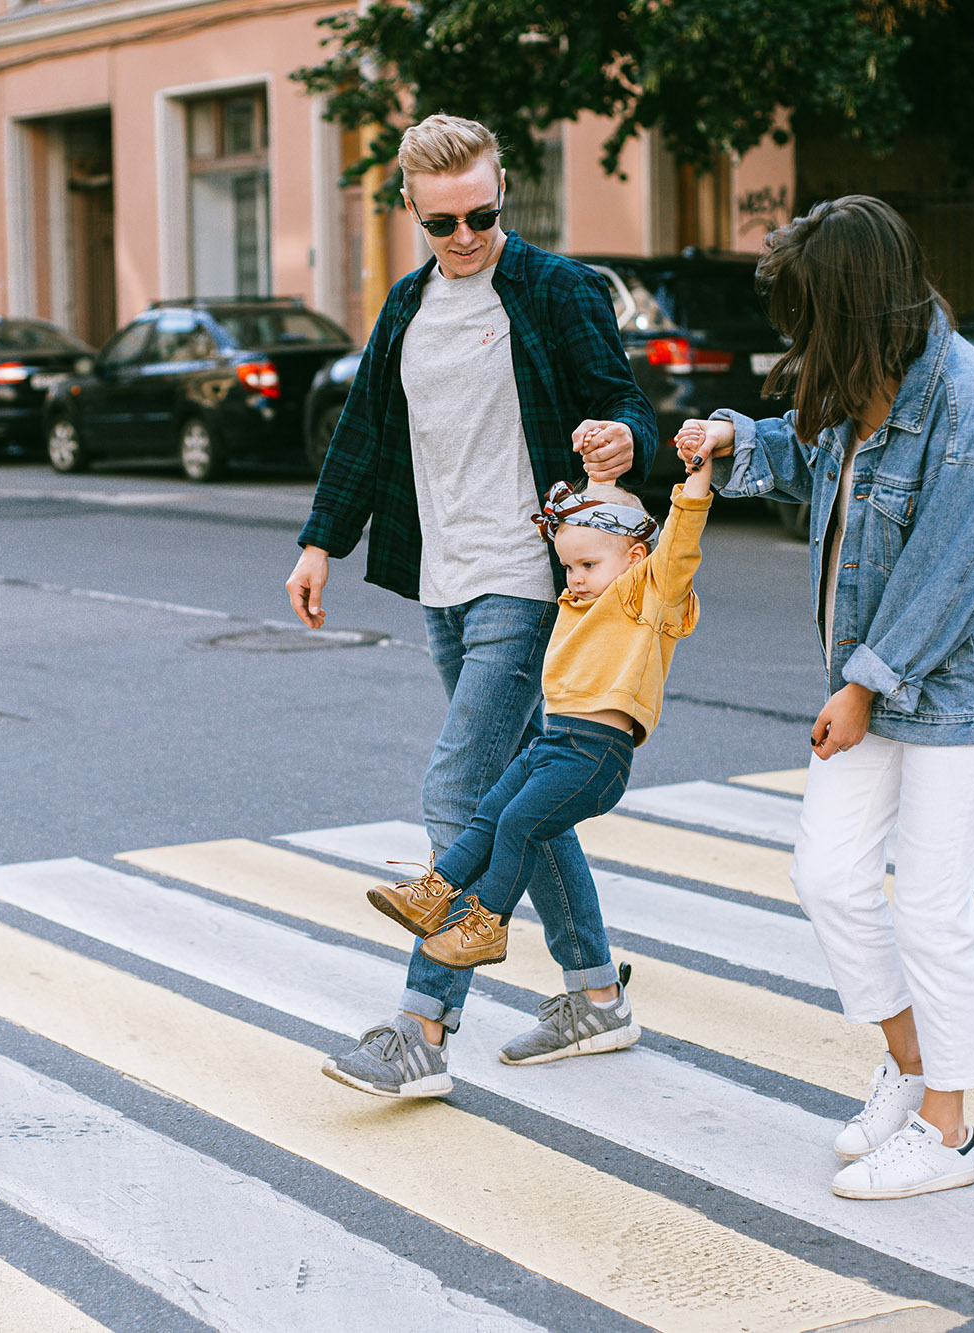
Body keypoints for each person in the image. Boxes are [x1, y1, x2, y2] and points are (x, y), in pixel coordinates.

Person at [672, 194, 974, 1200]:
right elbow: (806, 460)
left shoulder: (965, 403)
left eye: (805, 314)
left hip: (956, 692)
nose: (795, 336)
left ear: (845, 303)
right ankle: (910, 1061)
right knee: (826, 876)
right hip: (869, 683)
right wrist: (728, 440)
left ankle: (948, 1133)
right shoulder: (854, 373)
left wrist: (864, 686)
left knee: (928, 908)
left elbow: (952, 569)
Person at [286, 113, 657, 1099]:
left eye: (481, 215)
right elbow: (365, 430)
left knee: (458, 795)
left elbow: (627, 405)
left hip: (528, 577)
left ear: (503, 198)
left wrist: (620, 439)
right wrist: (321, 541)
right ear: (409, 207)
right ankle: (593, 994)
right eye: (442, 221)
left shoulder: (553, 289)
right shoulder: (407, 306)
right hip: (443, 583)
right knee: (521, 798)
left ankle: (420, 1028)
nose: (464, 237)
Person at [378, 468, 709, 990]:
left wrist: (698, 475)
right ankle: (437, 890)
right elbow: (584, 535)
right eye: (569, 566)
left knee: (519, 826)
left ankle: (487, 925)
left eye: (588, 565)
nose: (574, 577)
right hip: (554, 745)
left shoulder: (647, 600)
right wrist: (590, 486)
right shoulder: (576, 604)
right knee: (491, 810)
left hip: (596, 756)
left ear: (636, 559)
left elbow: (682, 540)